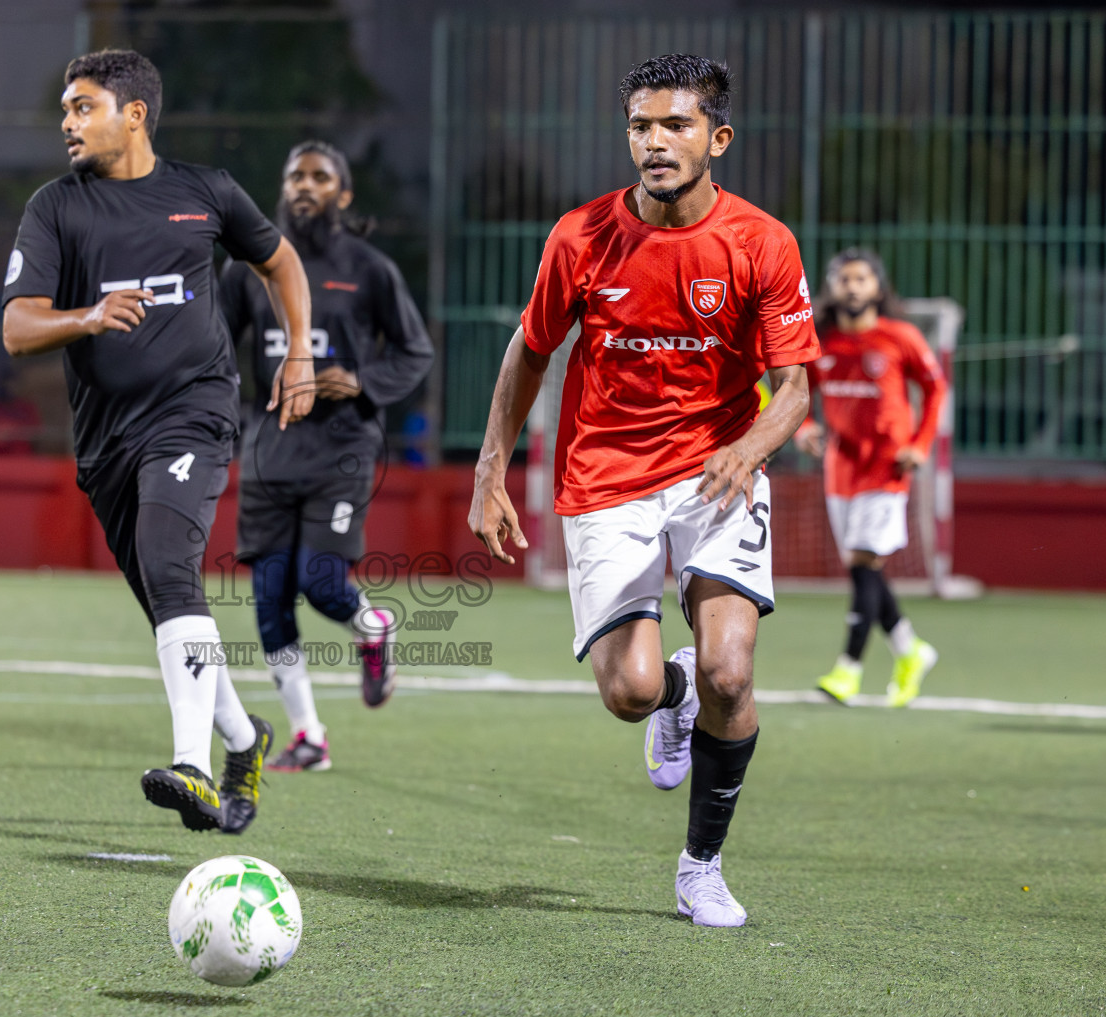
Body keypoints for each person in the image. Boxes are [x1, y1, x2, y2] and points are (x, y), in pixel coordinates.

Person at [467, 54, 819, 927]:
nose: (655, 143)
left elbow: (798, 388)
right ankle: (672, 691)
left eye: (676, 126)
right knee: (627, 692)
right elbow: (529, 351)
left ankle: (701, 866)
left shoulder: (761, 242)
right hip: (605, 476)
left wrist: (749, 443)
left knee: (733, 673)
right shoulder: (581, 236)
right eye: (640, 126)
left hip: (715, 475)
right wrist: (489, 472)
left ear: (718, 138)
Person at [1, 49, 316, 834]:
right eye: (65, 111)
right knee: (171, 604)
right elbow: (16, 327)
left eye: (83, 107)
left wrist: (300, 351)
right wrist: (87, 317)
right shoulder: (55, 209)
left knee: (174, 570)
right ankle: (244, 741)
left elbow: (280, 263)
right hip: (107, 441)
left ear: (133, 113)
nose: (68, 124)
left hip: (196, 413)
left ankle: (193, 767)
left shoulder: (205, 192)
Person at [220, 140, 433, 772]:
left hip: (341, 446)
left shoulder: (367, 268)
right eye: (294, 176)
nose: (304, 186)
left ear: (342, 194)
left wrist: (361, 380)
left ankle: (373, 629)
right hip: (271, 448)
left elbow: (415, 351)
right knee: (267, 597)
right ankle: (308, 735)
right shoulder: (246, 270)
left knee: (318, 580)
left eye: (319, 177)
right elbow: (212, 348)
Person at [795, 249, 946, 708]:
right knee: (864, 570)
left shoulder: (899, 337)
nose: (853, 286)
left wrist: (919, 444)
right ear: (831, 288)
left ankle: (849, 668)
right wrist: (803, 427)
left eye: (861, 279)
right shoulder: (820, 341)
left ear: (878, 288)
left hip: (887, 468)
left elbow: (935, 388)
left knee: (862, 563)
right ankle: (910, 649)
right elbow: (791, 389)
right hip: (840, 470)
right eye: (844, 278)